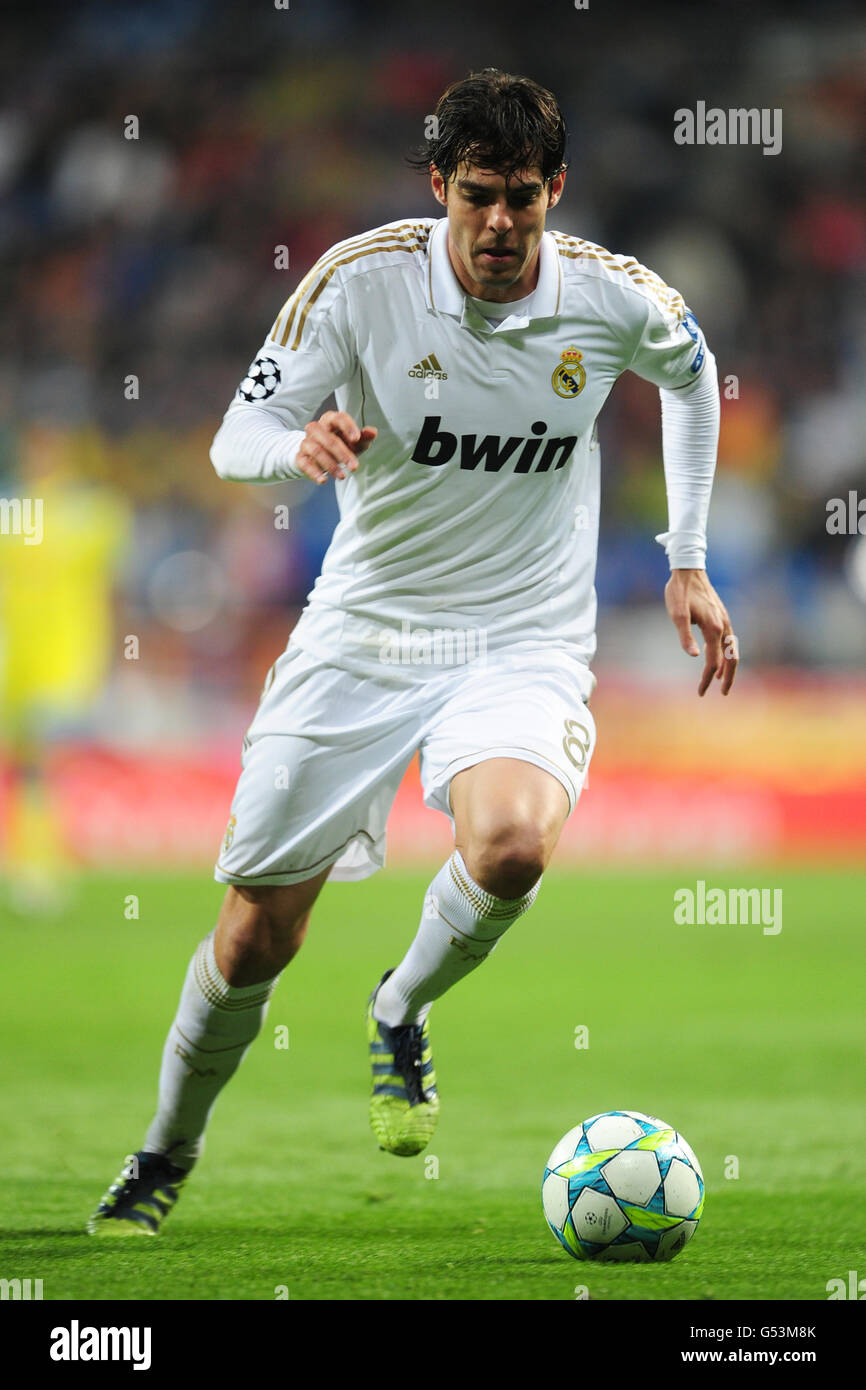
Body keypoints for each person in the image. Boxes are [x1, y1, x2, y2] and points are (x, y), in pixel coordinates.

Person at [88, 68, 737, 1236]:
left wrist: (684, 555)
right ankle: (163, 1153)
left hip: (522, 637)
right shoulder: (357, 284)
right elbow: (238, 430)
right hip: (365, 631)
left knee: (511, 849)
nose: (499, 223)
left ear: (556, 189)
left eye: (523, 198)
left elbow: (692, 379)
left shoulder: (612, 297)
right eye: (477, 194)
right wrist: (298, 443)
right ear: (438, 184)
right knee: (254, 935)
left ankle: (398, 1006)